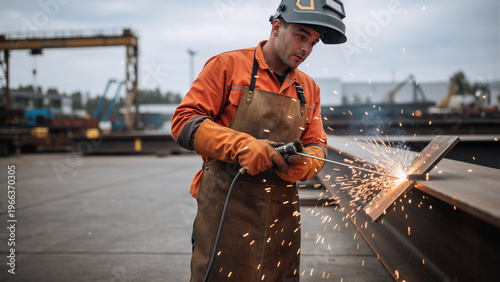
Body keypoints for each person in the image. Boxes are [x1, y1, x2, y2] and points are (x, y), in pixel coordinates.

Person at [171, 0, 347, 280]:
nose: (306, 49)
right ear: (277, 27)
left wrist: (306, 165)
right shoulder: (228, 66)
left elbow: (318, 145)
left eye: (313, 42)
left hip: (281, 214)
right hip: (225, 208)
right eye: (300, 35)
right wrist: (241, 146)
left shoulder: (309, 88)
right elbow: (185, 122)